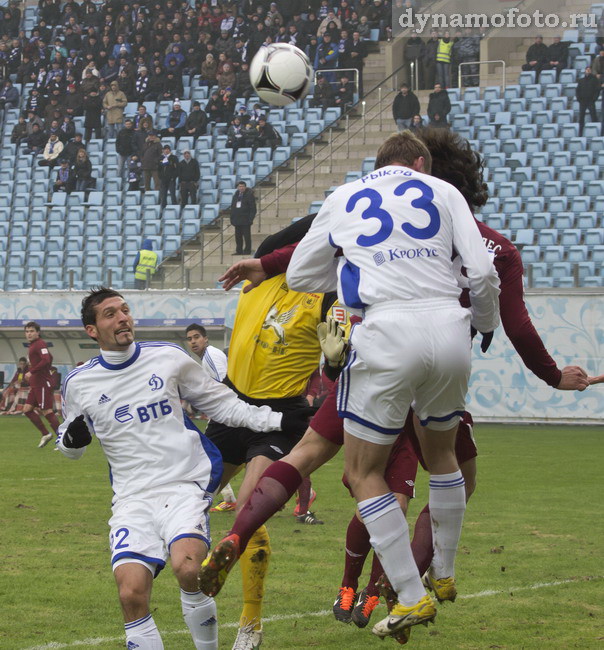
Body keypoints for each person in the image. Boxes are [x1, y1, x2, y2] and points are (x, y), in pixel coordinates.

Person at [272, 131, 502, 639]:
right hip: (448, 328)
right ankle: (443, 568)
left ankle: (411, 595)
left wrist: (351, 265)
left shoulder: (343, 197)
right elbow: (482, 272)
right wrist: (484, 323)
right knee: (440, 454)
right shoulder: (443, 191)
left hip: (386, 329)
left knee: (362, 471)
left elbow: (297, 276)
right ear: (420, 163)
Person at [55, 287, 311, 650]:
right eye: (110, 314)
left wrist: (278, 420)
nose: (122, 317)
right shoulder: (79, 384)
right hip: (131, 498)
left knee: (189, 568)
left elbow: (223, 406)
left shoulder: (168, 357)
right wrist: (73, 441)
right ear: (92, 330)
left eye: (125, 310)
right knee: (130, 593)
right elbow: (68, 444)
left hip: (183, 485)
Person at [199, 229, 334, 648]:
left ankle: (250, 624)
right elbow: (286, 236)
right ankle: (192, 583)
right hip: (230, 405)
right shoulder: (260, 271)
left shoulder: (328, 294)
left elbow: (341, 349)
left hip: (279, 415)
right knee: (189, 498)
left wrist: (337, 357)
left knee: (248, 510)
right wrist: (324, 222)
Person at [22, 322, 61, 447]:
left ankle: (63, 440)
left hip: (42, 383)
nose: (29, 333)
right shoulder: (33, 345)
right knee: (27, 410)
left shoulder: (40, 343)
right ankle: (45, 434)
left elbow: (46, 359)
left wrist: (32, 372)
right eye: (27, 331)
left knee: (47, 411)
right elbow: (50, 357)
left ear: (38, 332)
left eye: (32, 331)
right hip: (36, 384)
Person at [230, 180, 256, 255]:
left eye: (242, 186)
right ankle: (239, 250)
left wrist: (250, 219)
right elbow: (233, 207)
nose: (241, 188)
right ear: (238, 187)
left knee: (247, 237)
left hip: (246, 220)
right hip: (237, 220)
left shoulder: (249, 195)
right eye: (240, 186)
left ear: (245, 187)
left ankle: (247, 250)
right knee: (238, 237)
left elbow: (253, 208)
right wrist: (232, 218)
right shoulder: (235, 195)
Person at [576, 67, 600, 136]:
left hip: (591, 101)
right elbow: (577, 90)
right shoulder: (581, 80)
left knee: (593, 116)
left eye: (589, 70)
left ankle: (596, 133)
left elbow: (597, 90)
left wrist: (594, 99)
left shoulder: (594, 80)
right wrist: (579, 99)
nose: (588, 71)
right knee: (581, 117)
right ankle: (580, 133)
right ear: (585, 71)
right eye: (587, 70)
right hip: (582, 101)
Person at [158, 144, 179, 209]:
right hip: (163, 179)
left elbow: (177, 168)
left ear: (170, 150)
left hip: (171, 179)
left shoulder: (174, 157)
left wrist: (173, 177)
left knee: (173, 195)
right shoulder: (160, 158)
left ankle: (175, 208)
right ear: (163, 150)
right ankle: (163, 209)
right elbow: (158, 168)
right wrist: (160, 177)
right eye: (165, 149)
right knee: (163, 195)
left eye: (168, 149)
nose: (166, 151)